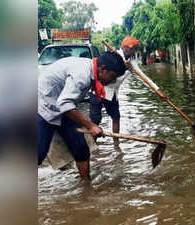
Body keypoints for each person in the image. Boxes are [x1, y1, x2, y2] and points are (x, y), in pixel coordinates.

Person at [38, 51, 128, 180]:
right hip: (42, 106)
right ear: (103, 70)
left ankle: (86, 188)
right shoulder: (83, 75)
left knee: (80, 147)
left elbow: (65, 103)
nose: (113, 81)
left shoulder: (91, 70)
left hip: (61, 107)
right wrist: (91, 125)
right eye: (113, 76)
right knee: (38, 153)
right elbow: (65, 103)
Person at [89, 36, 141, 137]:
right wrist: (123, 67)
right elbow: (104, 72)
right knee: (95, 120)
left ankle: (116, 144)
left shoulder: (132, 62)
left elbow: (141, 75)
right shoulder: (115, 56)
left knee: (116, 117)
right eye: (131, 49)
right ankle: (92, 146)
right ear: (124, 47)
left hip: (112, 93)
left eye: (134, 49)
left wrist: (157, 89)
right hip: (98, 90)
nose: (132, 51)